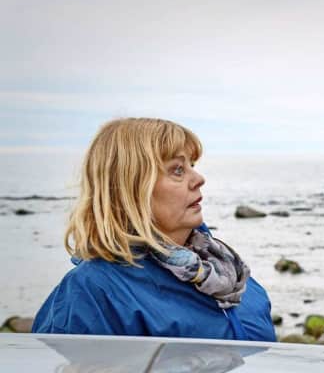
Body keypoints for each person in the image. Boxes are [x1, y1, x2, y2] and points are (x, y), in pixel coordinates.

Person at [33, 118, 276, 341]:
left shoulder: (225, 269)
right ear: (131, 188)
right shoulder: (95, 291)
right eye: (177, 169)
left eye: (192, 165)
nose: (199, 178)